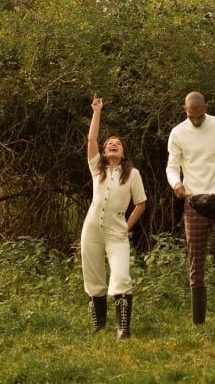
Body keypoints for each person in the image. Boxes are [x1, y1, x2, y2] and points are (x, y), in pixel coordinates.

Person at [166, 91, 215, 331]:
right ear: (184, 110)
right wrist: (176, 183)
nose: (197, 120)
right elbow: (171, 167)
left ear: (206, 108)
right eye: (192, 116)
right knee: (196, 262)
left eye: (200, 115)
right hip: (194, 204)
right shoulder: (178, 133)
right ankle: (199, 323)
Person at [80, 96, 147, 342]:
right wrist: (97, 111)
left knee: (120, 275)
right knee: (93, 276)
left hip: (116, 231)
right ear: (105, 151)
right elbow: (91, 140)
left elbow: (141, 204)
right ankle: (99, 324)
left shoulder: (133, 175)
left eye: (118, 143)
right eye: (110, 143)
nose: (113, 144)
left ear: (124, 151)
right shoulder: (97, 168)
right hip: (91, 229)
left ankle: (123, 329)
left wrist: (127, 227)